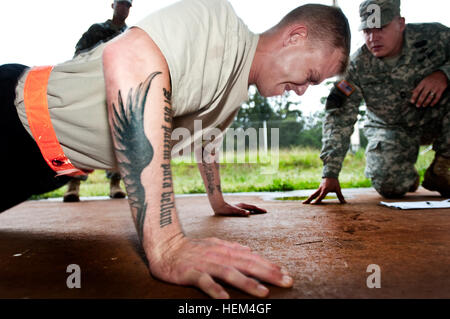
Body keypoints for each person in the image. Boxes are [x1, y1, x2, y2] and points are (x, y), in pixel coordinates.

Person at [1, 0, 350, 298]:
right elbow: (128, 56)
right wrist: (167, 246)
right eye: (312, 76)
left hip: (43, 169)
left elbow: (205, 142)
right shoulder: (217, 21)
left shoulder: (234, 90)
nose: (305, 91)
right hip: (10, 118)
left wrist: (217, 199)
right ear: (295, 36)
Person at [304, 0, 449, 205]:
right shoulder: (356, 66)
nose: (373, 38)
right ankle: (407, 175)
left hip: (439, 120)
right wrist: (330, 173)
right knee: (390, 185)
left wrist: (444, 74)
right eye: (367, 30)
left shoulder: (436, 37)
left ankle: (444, 165)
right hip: (391, 127)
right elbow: (339, 115)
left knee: (447, 183)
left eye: (381, 28)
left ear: (400, 23)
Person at [65, 0, 133, 202]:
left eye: (127, 5)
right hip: (92, 89)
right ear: (112, 5)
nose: (123, 8)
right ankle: (73, 184)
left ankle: (115, 184)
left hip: (118, 91)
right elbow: (78, 53)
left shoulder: (130, 35)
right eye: (121, 4)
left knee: (119, 137)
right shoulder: (97, 30)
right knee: (82, 135)